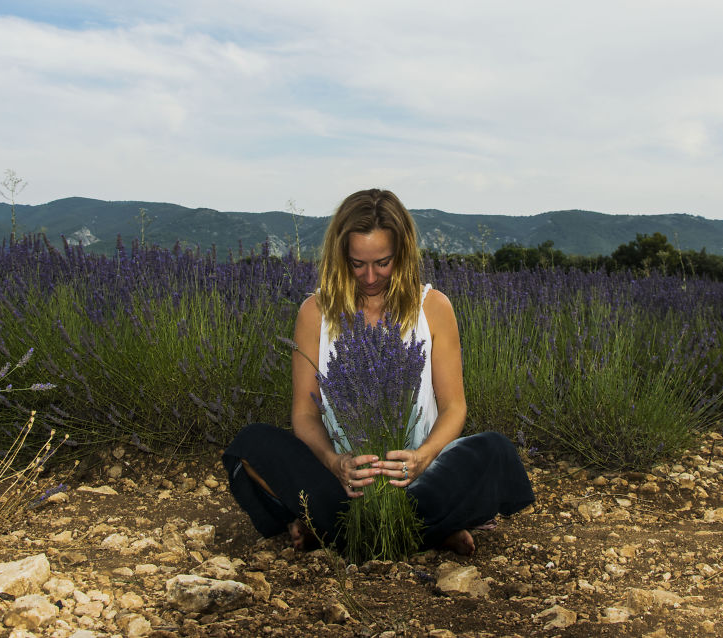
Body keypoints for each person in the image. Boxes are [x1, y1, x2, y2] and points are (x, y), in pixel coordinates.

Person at [223, 188, 534, 555]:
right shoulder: (314, 312)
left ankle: (335, 530)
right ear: (341, 257)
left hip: (416, 478)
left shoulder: (433, 307)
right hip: (344, 483)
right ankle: (428, 531)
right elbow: (305, 413)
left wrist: (424, 458)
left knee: (494, 451)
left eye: (382, 263)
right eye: (357, 264)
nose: (370, 277)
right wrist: (334, 462)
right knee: (250, 445)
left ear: (401, 255)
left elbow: (454, 407)